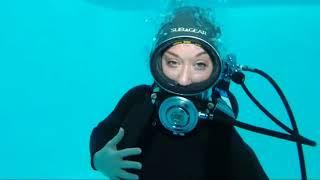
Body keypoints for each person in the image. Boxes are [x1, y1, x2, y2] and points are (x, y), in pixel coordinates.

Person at [90, 6, 268, 180]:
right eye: (173, 62)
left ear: (217, 70)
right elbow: (102, 133)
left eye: (199, 65)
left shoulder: (219, 126)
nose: (183, 80)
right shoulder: (138, 99)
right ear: (157, 63)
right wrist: (100, 161)